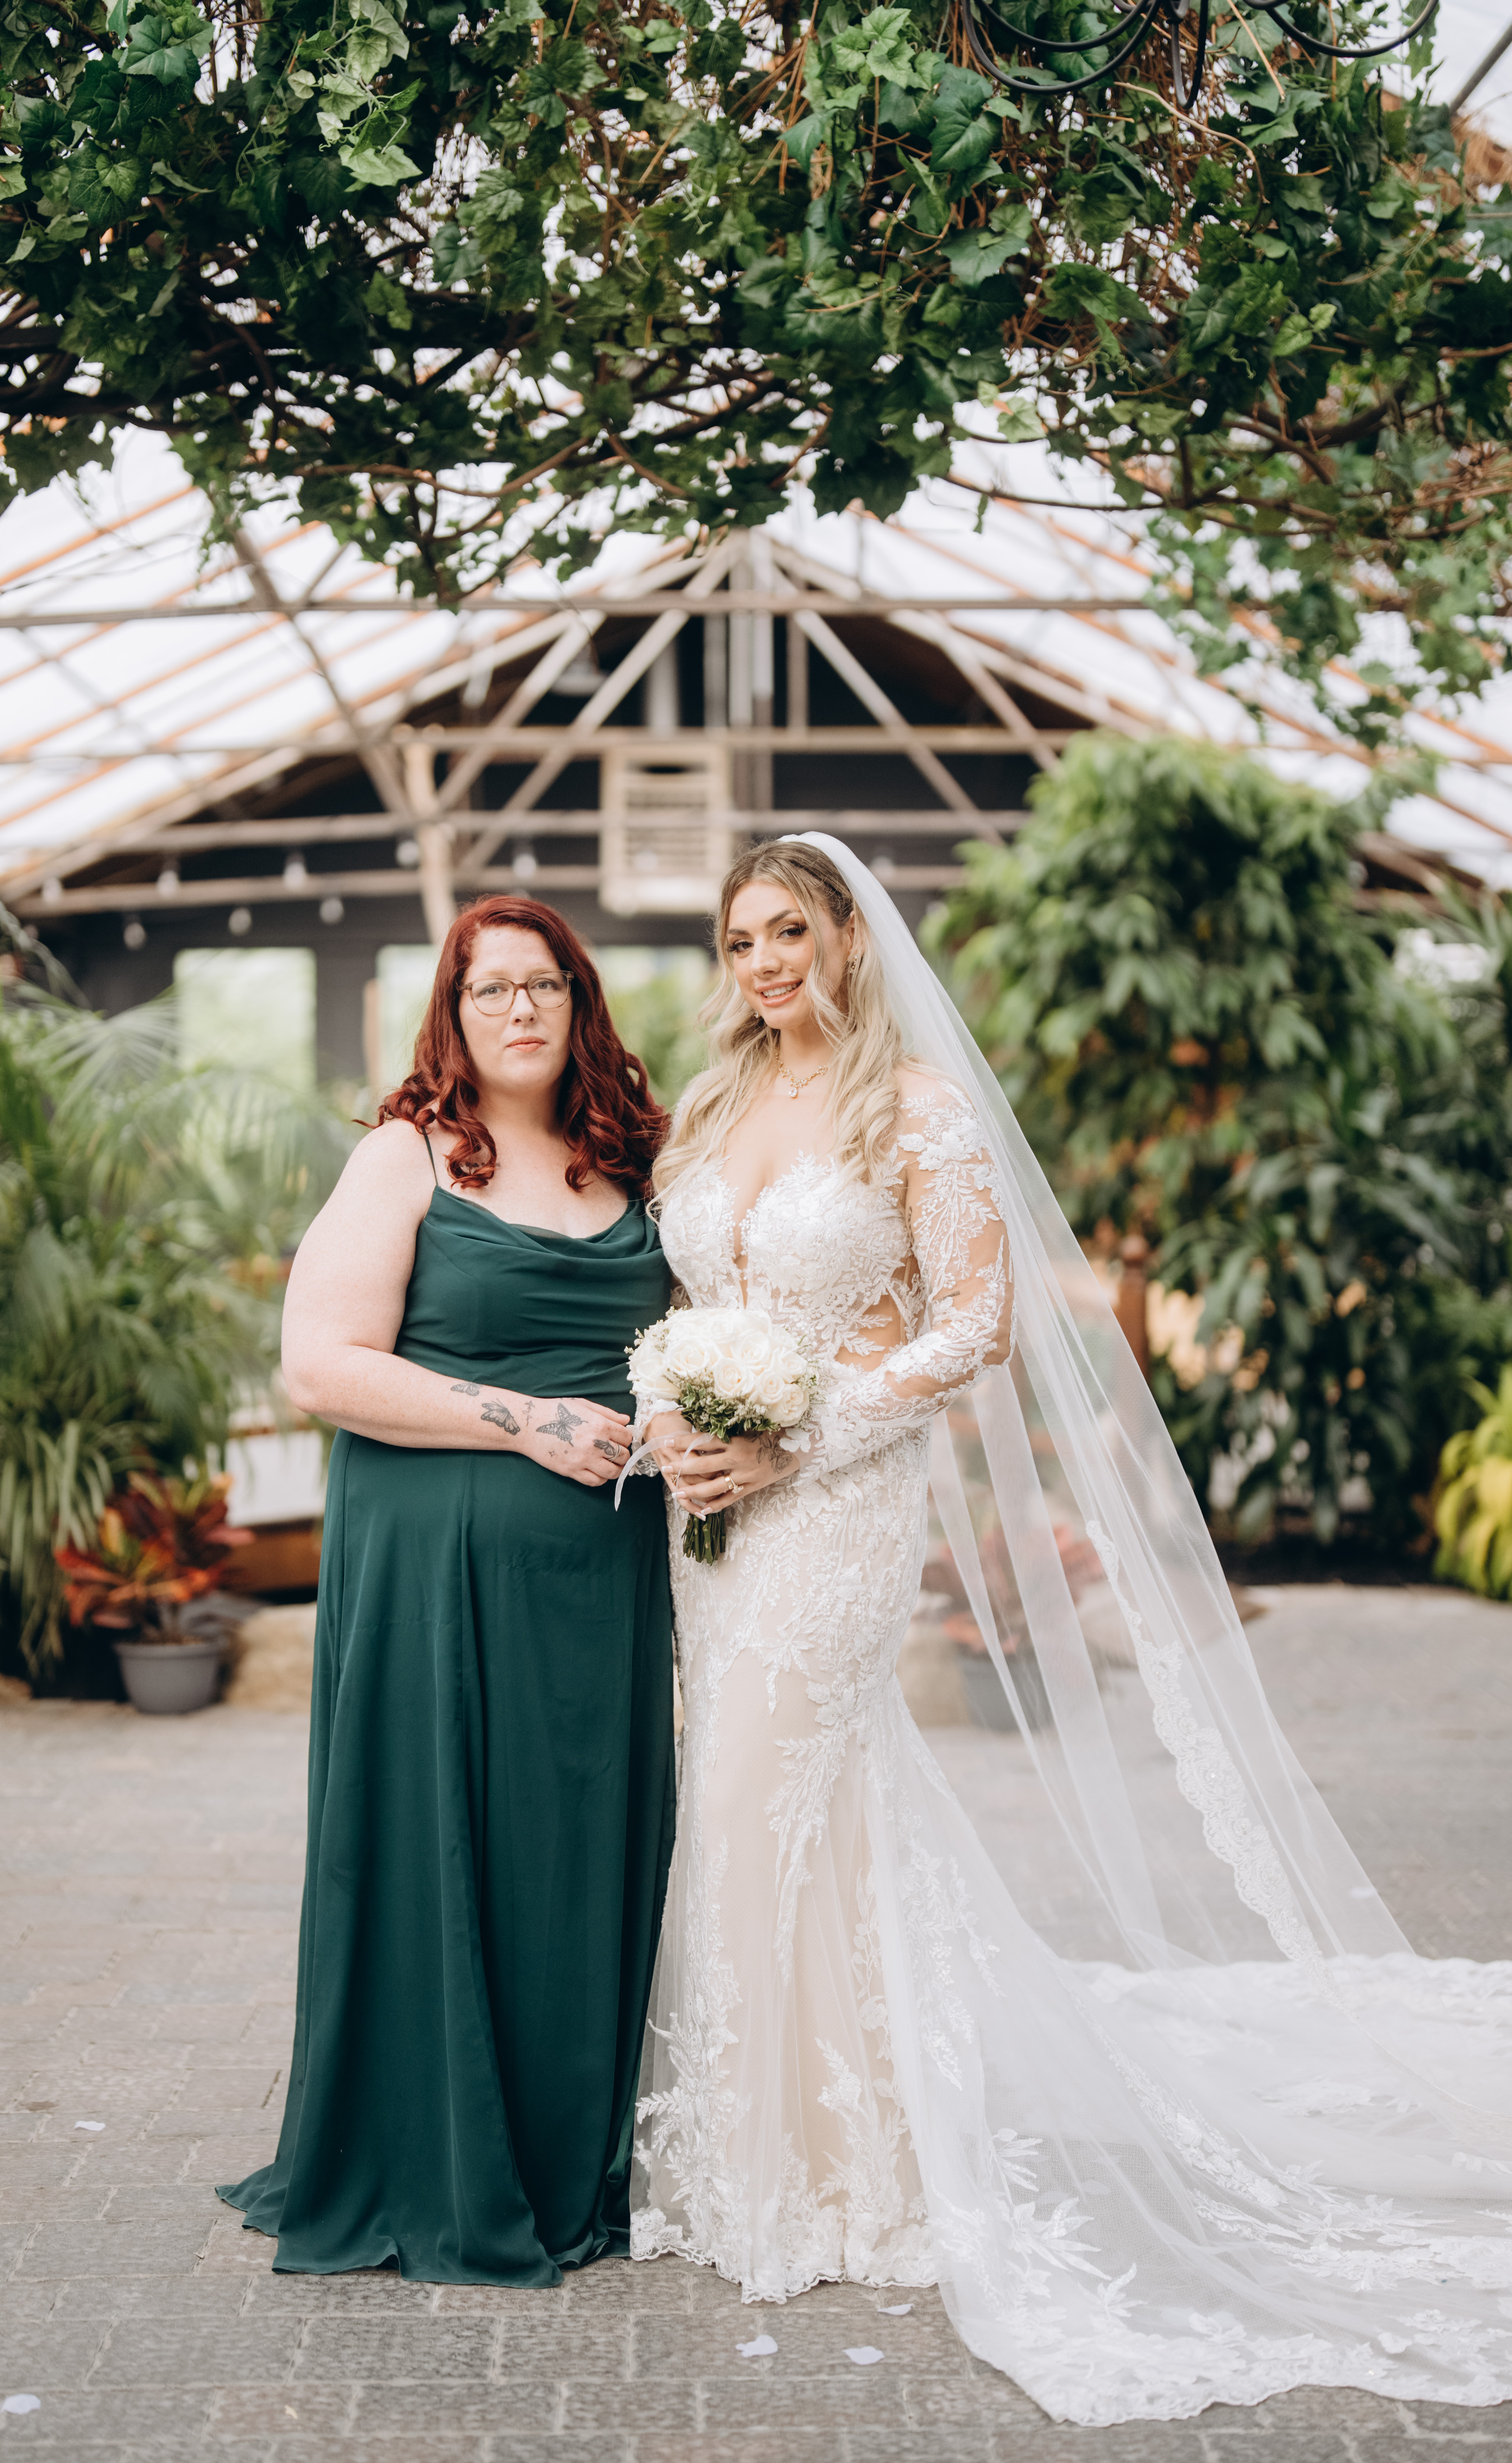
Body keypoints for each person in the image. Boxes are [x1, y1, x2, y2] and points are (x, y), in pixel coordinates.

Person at [632, 834, 1512, 2426]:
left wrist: (795, 1434)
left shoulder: (917, 1110)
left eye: (787, 933)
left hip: (836, 1499)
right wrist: (681, 1419)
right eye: (740, 939)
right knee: (762, 1805)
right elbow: (692, 1303)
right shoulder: (709, 1105)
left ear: (847, 939)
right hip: (717, 1519)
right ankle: (785, 2140)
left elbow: (973, 1325)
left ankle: (837, 2177)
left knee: (768, 1786)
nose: (762, 964)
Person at [220, 896, 677, 2286]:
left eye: (543, 985)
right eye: (490, 991)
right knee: (452, 1841)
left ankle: (573, 2154)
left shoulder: (636, 1160)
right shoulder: (406, 1156)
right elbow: (321, 1366)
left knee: (577, 1851)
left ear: (580, 1002)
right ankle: (438, 2155)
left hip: (599, 1580)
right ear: (453, 1014)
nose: (519, 1010)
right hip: (436, 1571)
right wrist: (521, 1420)